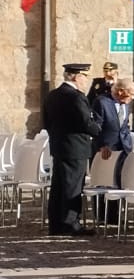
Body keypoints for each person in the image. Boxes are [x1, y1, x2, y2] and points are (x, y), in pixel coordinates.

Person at [42, 62, 102, 235]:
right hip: (76, 148)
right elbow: (86, 123)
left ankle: (56, 224)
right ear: (77, 77)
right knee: (72, 187)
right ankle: (70, 224)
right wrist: (97, 127)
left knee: (59, 186)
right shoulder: (76, 97)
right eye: (85, 77)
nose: (86, 81)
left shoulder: (52, 95)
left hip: (59, 147)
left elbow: (46, 122)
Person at [92, 81, 134, 157]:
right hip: (106, 150)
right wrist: (101, 145)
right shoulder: (102, 102)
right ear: (120, 91)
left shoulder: (126, 103)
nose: (133, 97)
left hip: (124, 149)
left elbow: (124, 125)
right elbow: (96, 127)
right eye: (131, 94)